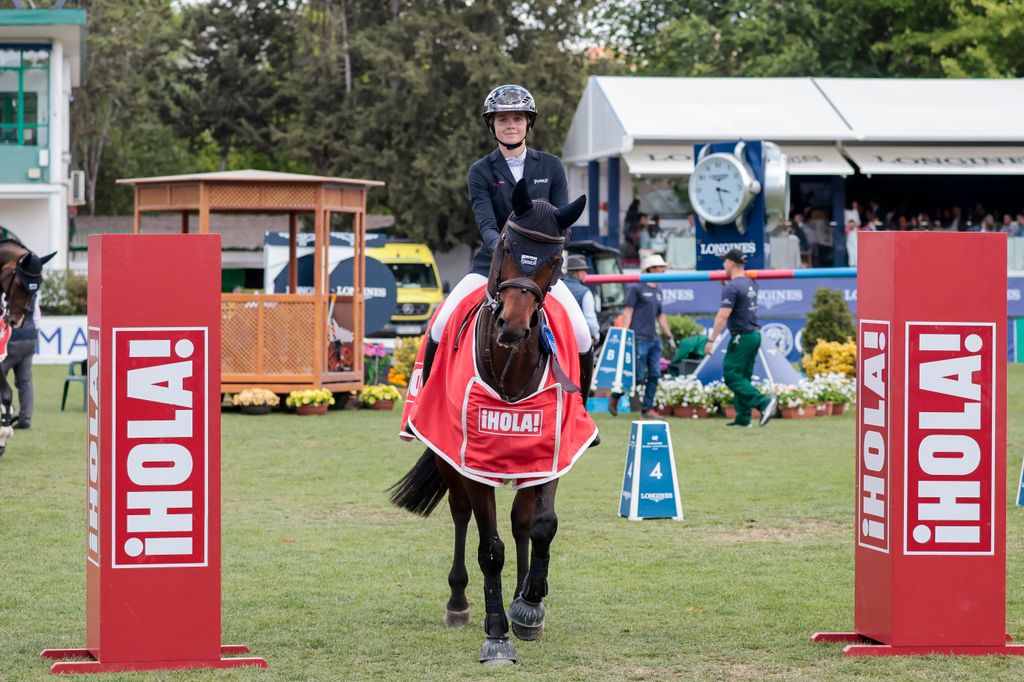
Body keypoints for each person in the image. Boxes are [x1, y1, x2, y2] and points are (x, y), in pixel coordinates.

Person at [426, 84, 592, 367]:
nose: (511, 125)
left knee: (582, 335)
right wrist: (506, 250)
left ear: (528, 122)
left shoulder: (551, 166)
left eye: (517, 118)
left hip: (541, 271)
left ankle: (581, 408)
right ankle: (425, 403)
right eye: (503, 119)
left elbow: (562, 224)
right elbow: (486, 224)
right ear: (492, 125)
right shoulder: (480, 170)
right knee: (440, 325)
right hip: (492, 264)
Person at [703, 249, 779, 428]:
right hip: (754, 335)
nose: (723, 265)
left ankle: (763, 403)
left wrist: (711, 340)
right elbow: (741, 300)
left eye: (725, 262)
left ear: (731, 263)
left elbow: (723, 315)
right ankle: (743, 419)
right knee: (743, 377)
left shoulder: (732, 287)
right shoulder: (751, 283)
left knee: (731, 375)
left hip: (742, 336)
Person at [609, 254, 675, 419]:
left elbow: (660, 316)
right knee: (637, 377)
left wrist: (669, 336)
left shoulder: (658, 289)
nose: (664, 270)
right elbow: (628, 312)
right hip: (638, 338)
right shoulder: (636, 288)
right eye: (661, 267)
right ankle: (615, 396)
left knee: (654, 374)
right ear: (651, 269)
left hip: (654, 339)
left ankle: (647, 410)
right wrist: (625, 334)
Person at [564, 255, 600, 348]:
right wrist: (596, 334)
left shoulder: (558, 287)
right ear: (579, 273)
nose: (586, 275)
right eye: (585, 272)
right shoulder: (585, 292)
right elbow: (590, 320)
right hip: (575, 340)